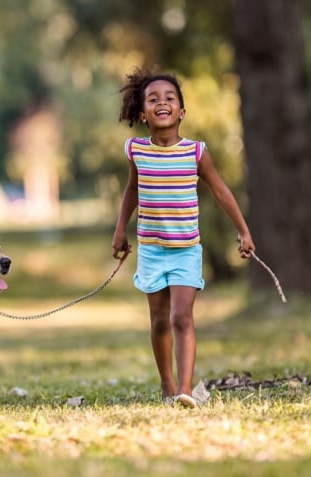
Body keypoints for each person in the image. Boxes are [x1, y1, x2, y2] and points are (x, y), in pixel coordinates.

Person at [111, 67, 256, 408]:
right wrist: (120, 228)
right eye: (153, 99)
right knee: (159, 320)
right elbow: (132, 190)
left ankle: (185, 392)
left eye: (170, 98)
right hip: (150, 249)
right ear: (143, 113)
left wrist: (243, 230)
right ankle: (167, 385)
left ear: (182, 112)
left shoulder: (195, 152)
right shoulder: (137, 151)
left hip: (185, 249)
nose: (162, 103)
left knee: (181, 317)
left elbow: (220, 191)